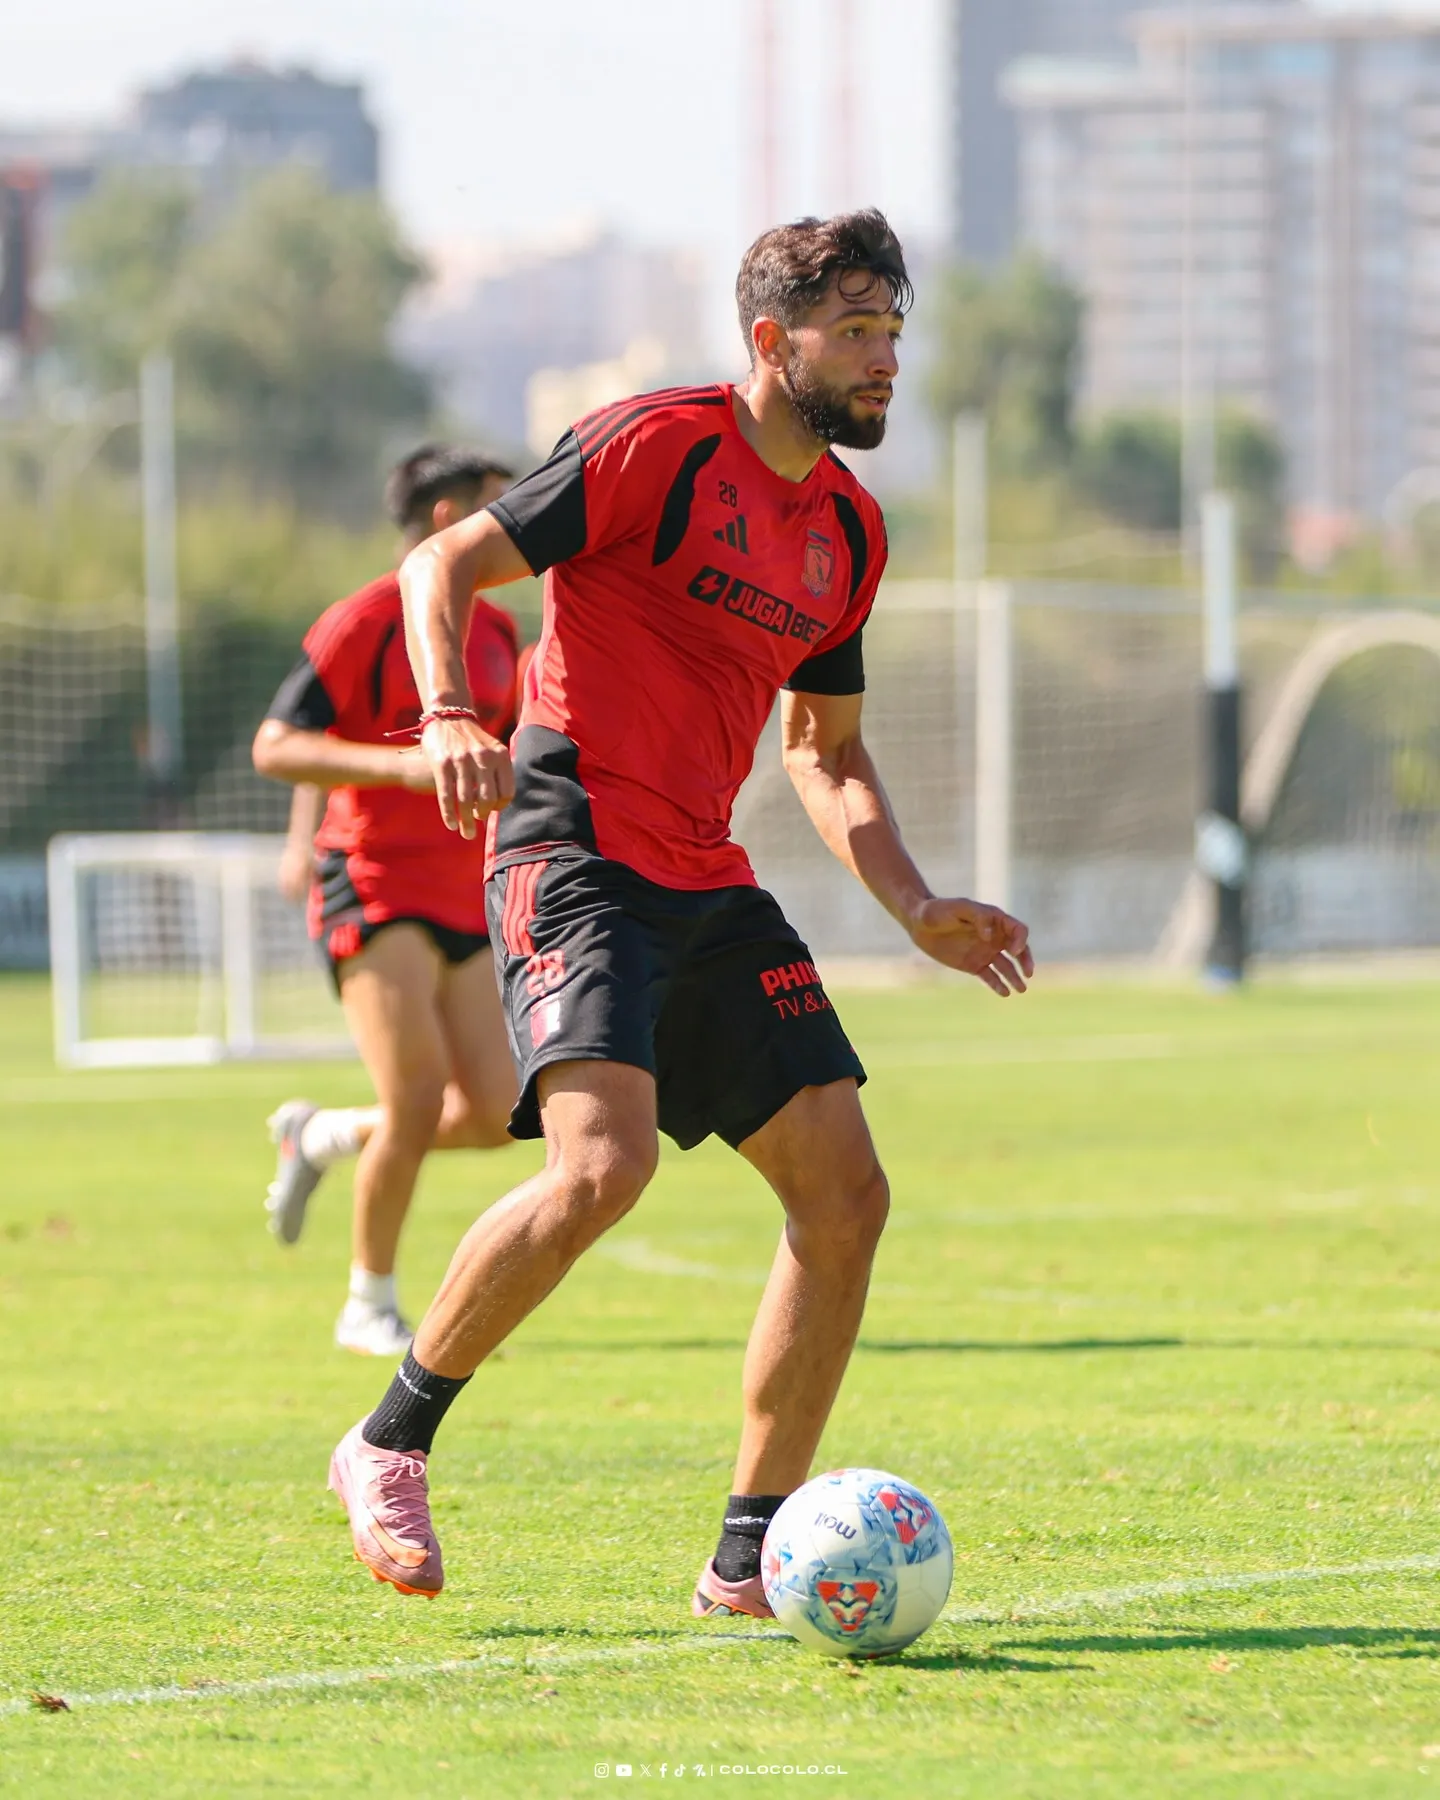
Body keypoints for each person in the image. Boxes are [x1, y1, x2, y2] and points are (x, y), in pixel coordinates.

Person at [327, 211, 1033, 1604]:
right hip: (572, 843)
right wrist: (454, 709)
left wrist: (912, 901)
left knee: (846, 1198)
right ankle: (386, 1441)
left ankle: (745, 1561)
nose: (886, 358)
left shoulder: (848, 531)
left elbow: (823, 751)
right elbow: (440, 564)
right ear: (773, 342)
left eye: (895, 331)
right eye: (857, 332)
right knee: (605, 1166)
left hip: (704, 873)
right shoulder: (656, 443)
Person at [252, 447, 523, 1357]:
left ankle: (322, 1137)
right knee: (412, 1097)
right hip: (372, 880)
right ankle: (368, 1301)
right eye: (501, 508)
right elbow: (280, 745)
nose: (522, 525)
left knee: (494, 1111)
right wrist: (405, 768)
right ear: (451, 519)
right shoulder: (364, 619)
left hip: (463, 889)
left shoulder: (497, 633)